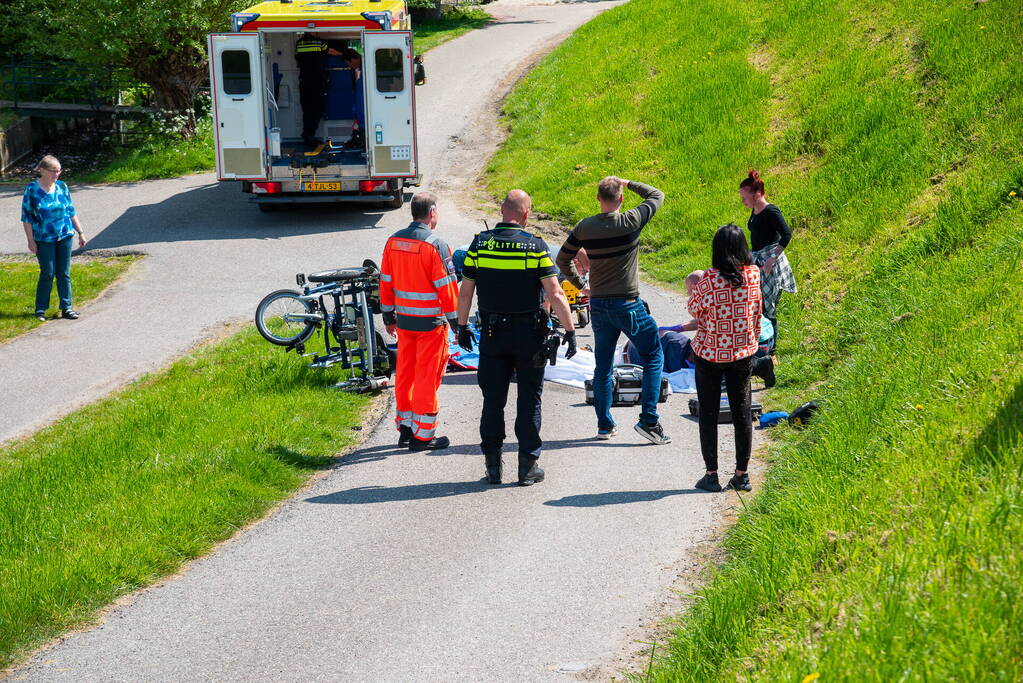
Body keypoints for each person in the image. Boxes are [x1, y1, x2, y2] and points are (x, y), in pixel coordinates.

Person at [456, 190, 577, 486]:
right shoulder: (534, 247)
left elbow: (466, 290)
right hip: (529, 336)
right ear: (525, 214)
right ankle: (527, 468)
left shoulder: (479, 245)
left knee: (493, 401)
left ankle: (493, 468)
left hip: (493, 334)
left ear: (501, 210)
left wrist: (461, 326)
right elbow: (555, 293)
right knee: (529, 400)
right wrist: (571, 331)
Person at [556, 176, 670, 445]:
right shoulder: (631, 221)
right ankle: (649, 421)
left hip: (599, 305)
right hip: (628, 304)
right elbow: (657, 195)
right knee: (653, 355)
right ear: (620, 199)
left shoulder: (585, 227)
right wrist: (627, 181)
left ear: (598, 198)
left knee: (603, 365)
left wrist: (582, 285)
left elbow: (563, 259)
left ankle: (604, 425)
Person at [379, 192, 460, 451]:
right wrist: (458, 324)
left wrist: (388, 316)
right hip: (430, 325)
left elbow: (387, 281)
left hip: (404, 322)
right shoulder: (435, 245)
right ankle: (423, 436)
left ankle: (405, 427)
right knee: (426, 377)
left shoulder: (394, 241)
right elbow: (447, 288)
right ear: (432, 213)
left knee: (405, 374)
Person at [687, 224, 763, 493]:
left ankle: (711, 475)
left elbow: (694, 309)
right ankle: (742, 475)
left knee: (708, 413)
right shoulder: (753, 275)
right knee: (742, 412)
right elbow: (758, 312)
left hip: (710, 352)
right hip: (743, 352)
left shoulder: (709, 279)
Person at [20, 155, 86, 321]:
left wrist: (80, 232)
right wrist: (30, 240)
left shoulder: (62, 187)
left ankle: (67, 307)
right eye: (53, 171)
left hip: (64, 235)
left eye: (59, 171)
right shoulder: (31, 190)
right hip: (43, 238)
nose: (56, 174)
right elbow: (26, 217)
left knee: (64, 273)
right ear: (41, 170)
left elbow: (71, 211)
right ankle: (40, 309)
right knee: (48, 273)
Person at [739, 169, 795, 354]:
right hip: (758, 261)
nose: (742, 201)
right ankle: (759, 346)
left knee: (767, 307)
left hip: (769, 263)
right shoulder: (755, 210)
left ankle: (771, 351)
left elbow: (786, 234)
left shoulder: (770, 211)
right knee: (756, 304)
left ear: (756, 194)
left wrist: (773, 258)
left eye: (744, 197)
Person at [295, 33, 332, 147]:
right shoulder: (319, 42)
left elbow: (297, 60)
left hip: (304, 82)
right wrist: (344, 53)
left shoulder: (299, 44)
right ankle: (309, 135)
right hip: (317, 81)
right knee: (318, 109)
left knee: (307, 110)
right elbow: (329, 52)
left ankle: (308, 135)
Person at [340, 47, 365, 150]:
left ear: (354, 59)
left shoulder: (367, 68)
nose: (350, 66)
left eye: (349, 63)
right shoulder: (363, 69)